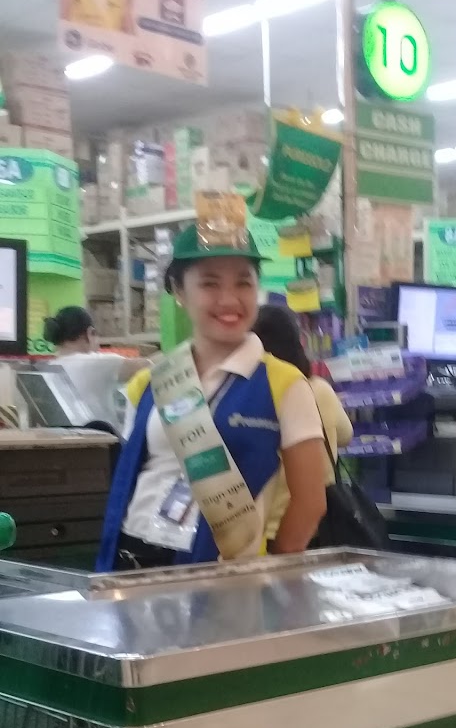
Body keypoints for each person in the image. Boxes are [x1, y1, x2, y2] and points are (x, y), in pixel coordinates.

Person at [96, 224, 326, 571]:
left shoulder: (285, 385)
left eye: (243, 283)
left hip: (222, 571)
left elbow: (310, 503)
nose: (229, 300)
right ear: (179, 291)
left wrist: (271, 570)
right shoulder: (150, 382)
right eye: (210, 284)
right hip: (130, 557)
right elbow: (131, 476)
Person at [251, 304, 353, 548]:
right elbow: (346, 435)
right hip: (321, 531)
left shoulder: (259, 396)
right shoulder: (320, 389)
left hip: (271, 534)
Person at [43, 306, 148, 429]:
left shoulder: (48, 368)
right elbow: (147, 367)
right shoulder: (97, 363)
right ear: (90, 333)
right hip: (101, 438)